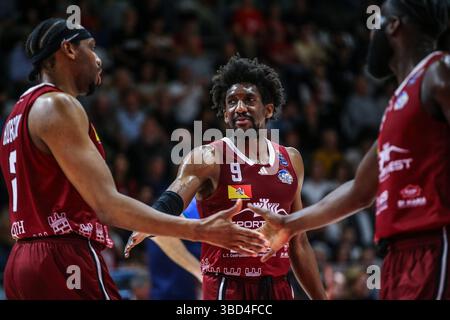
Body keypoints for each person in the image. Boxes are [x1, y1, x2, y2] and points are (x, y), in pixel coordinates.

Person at [0, 18, 269, 300]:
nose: (99, 59)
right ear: (68, 49)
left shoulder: (17, 114)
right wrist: (199, 230)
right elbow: (108, 206)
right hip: (62, 258)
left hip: (22, 260)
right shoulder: (58, 104)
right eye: (91, 48)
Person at [250, 0, 450, 300]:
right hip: (398, 255)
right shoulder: (399, 104)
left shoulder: (439, 71)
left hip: (435, 242)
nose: (371, 34)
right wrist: (289, 224)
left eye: (376, 23)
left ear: (394, 25)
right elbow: (359, 191)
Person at [125, 56, 327, 300]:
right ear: (225, 113)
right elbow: (173, 197)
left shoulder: (291, 159)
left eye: (249, 100)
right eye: (231, 102)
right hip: (227, 287)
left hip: (279, 287)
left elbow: (299, 242)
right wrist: (148, 222)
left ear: (269, 109)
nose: (239, 107)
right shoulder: (207, 157)